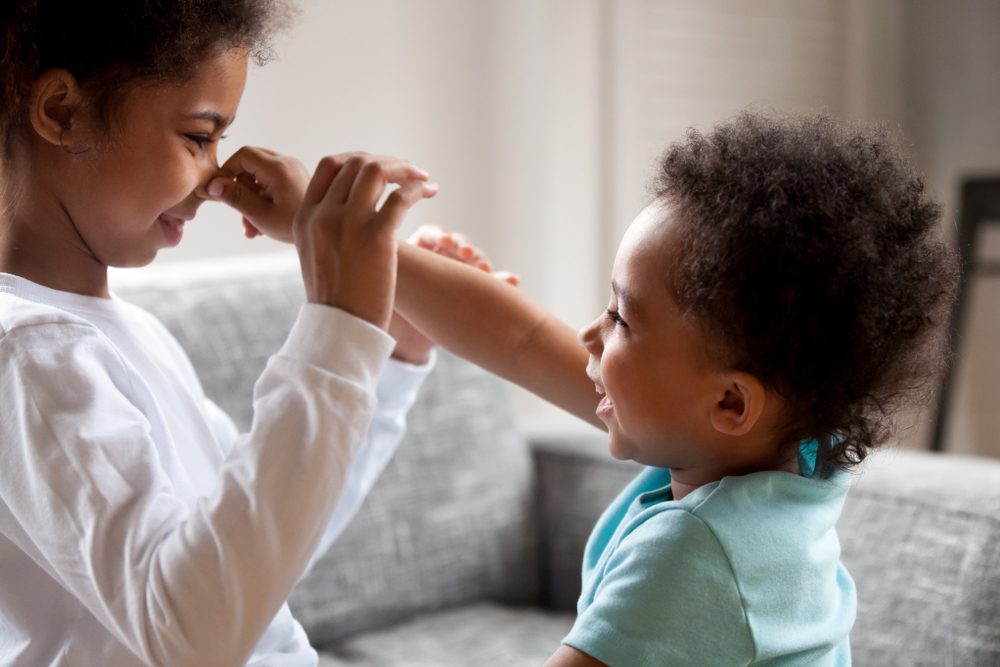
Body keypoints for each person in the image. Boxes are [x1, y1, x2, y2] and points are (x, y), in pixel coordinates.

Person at [0, 1, 497, 664]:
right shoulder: (30, 353)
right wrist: (337, 324)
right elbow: (190, 633)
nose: (214, 179)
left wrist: (389, 352)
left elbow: (260, 548)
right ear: (62, 111)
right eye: (197, 137)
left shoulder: (126, 334)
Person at [395, 112, 960, 665]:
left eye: (620, 318)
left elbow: (526, 342)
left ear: (731, 402)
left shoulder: (692, 559)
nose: (589, 335)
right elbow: (523, 341)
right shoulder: (791, 445)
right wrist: (370, 254)